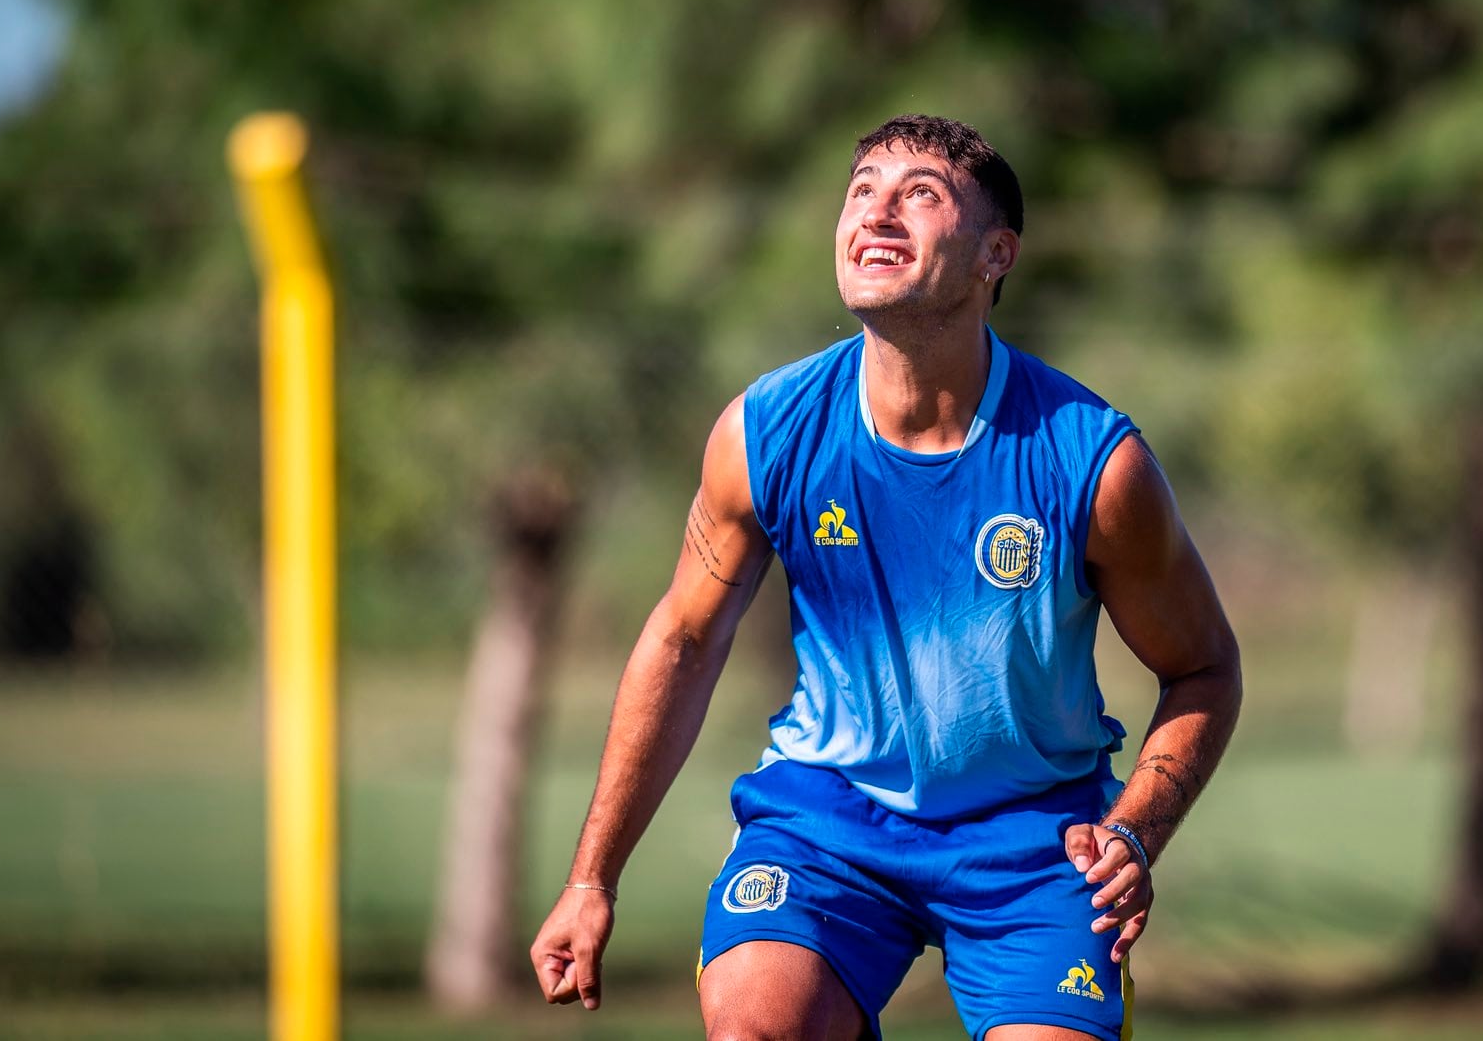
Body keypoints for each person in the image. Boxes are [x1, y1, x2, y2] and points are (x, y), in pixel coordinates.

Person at [529, 114, 1242, 1041]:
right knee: (755, 1026)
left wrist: (1134, 832)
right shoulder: (765, 433)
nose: (877, 213)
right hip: (829, 822)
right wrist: (592, 879)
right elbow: (684, 639)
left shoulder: (1092, 462)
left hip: (1033, 839)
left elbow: (1205, 667)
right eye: (862, 188)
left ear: (997, 253)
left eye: (921, 195)